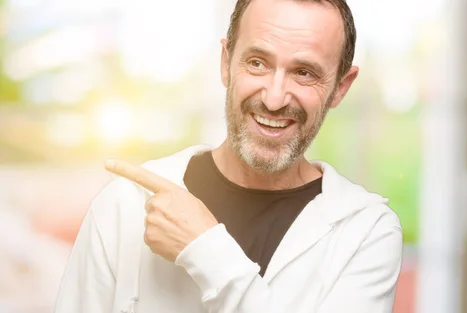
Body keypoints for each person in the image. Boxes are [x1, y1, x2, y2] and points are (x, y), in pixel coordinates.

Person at [54, 0, 403, 312]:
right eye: (257, 63)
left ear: (341, 87)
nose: (275, 98)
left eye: (304, 72)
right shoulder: (124, 206)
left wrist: (206, 250)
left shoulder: (366, 232)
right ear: (226, 63)